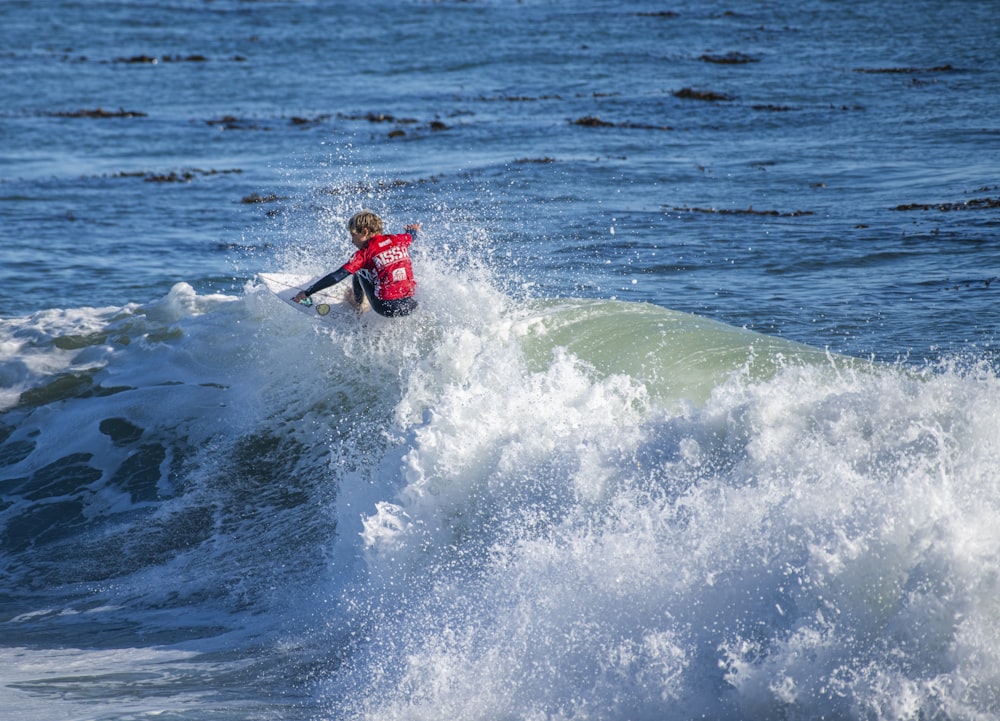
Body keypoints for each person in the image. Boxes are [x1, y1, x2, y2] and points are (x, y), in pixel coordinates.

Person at [292, 210, 419, 318]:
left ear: (364, 232)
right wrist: (413, 230)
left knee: (359, 270)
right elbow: (412, 235)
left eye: (353, 235)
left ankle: (358, 304)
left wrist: (307, 292)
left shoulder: (363, 254)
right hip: (410, 305)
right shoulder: (400, 239)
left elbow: (337, 276)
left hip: (385, 308)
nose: (352, 241)